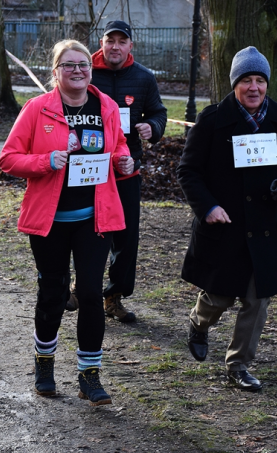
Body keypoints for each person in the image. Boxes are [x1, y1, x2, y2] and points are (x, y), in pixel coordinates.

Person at [0, 39, 133, 405]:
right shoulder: (37, 109)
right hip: (50, 220)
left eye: (83, 65)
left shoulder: (105, 105)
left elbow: (118, 144)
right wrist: (46, 161)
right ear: (55, 71)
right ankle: (44, 362)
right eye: (69, 65)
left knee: (90, 292)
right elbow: (8, 159)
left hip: (94, 216)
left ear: (91, 70)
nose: (77, 71)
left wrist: (124, 161)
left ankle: (90, 375)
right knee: (53, 293)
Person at [176, 46, 277, 391]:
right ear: (235, 84)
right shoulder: (212, 120)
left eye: (259, 80)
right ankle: (198, 323)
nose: (253, 87)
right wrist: (208, 207)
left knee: (257, 300)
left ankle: (238, 365)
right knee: (220, 296)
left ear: (267, 84)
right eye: (246, 80)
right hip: (225, 227)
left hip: (263, 228)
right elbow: (188, 171)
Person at [69, 20, 167, 323]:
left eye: (121, 41)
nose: (115, 46)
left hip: (126, 169)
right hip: (86, 168)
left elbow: (158, 112)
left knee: (125, 237)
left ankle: (114, 296)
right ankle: (82, 288)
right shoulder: (85, 71)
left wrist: (152, 126)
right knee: (85, 232)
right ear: (102, 43)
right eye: (110, 40)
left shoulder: (143, 78)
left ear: (130, 46)